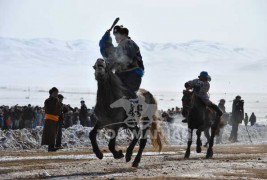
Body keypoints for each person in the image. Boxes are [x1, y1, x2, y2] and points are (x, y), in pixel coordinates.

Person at [99, 25, 144, 102]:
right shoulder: (119, 47)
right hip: (122, 74)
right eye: (114, 35)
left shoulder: (128, 42)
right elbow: (109, 54)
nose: (115, 37)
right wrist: (105, 40)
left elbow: (126, 57)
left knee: (128, 95)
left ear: (123, 35)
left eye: (117, 35)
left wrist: (115, 62)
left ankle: (135, 106)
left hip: (132, 73)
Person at [41, 87, 62, 152]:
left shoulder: (57, 101)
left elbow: (60, 110)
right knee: (50, 133)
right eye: (55, 93)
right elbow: (48, 110)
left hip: (56, 119)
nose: (56, 94)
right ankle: (50, 147)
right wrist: (55, 102)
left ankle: (52, 146)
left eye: (57, 93)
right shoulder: (47, 101)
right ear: (51, 93)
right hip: (49, 119)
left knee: (54, 133)